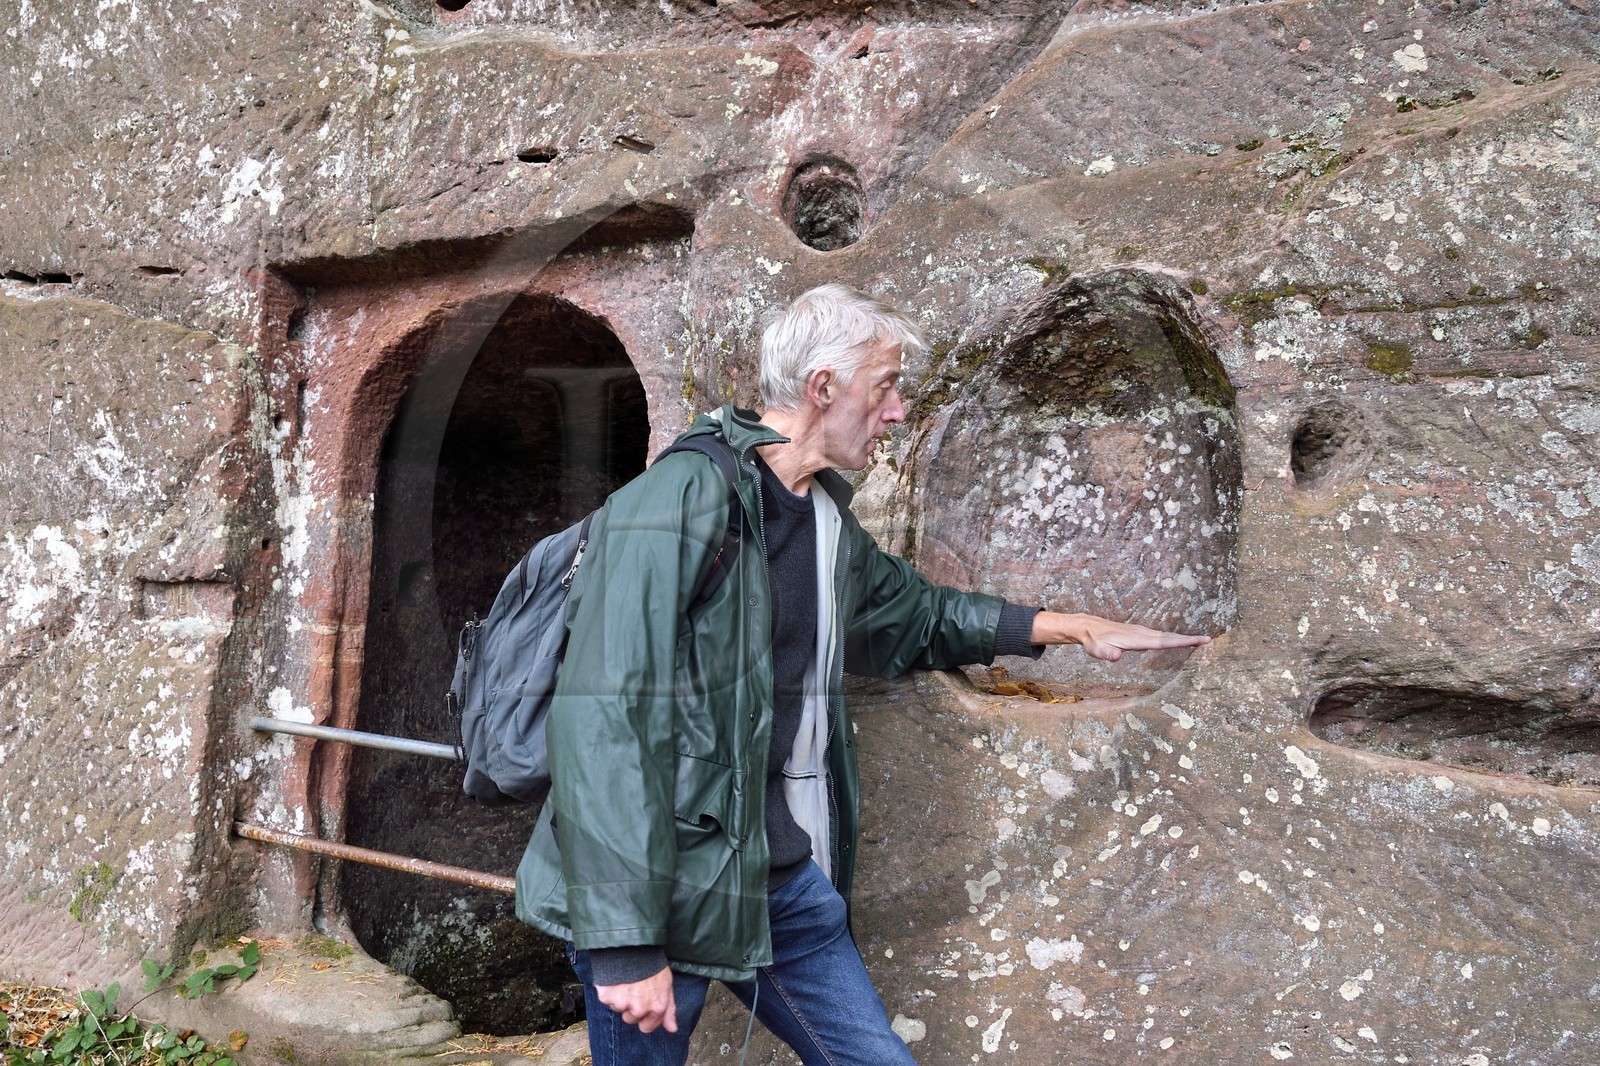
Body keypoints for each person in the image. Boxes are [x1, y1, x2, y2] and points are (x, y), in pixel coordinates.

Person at [514, 284, 1211, 1064]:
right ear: (823, 389)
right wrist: (623, 946)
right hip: (660, 883)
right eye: (886, 385)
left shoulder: (820, 516)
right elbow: (600, 715)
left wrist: (1063, 626)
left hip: (773, 875)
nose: (899, 410)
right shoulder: (676, 499)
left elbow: (907, 615)